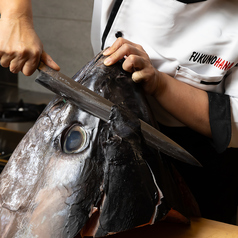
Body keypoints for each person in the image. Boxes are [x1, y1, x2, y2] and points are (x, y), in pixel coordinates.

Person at [1, 0, 238, 224]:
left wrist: (160, 85)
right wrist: (17, 17)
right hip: (109, 128)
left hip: (201, 159)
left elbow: (235, 119)